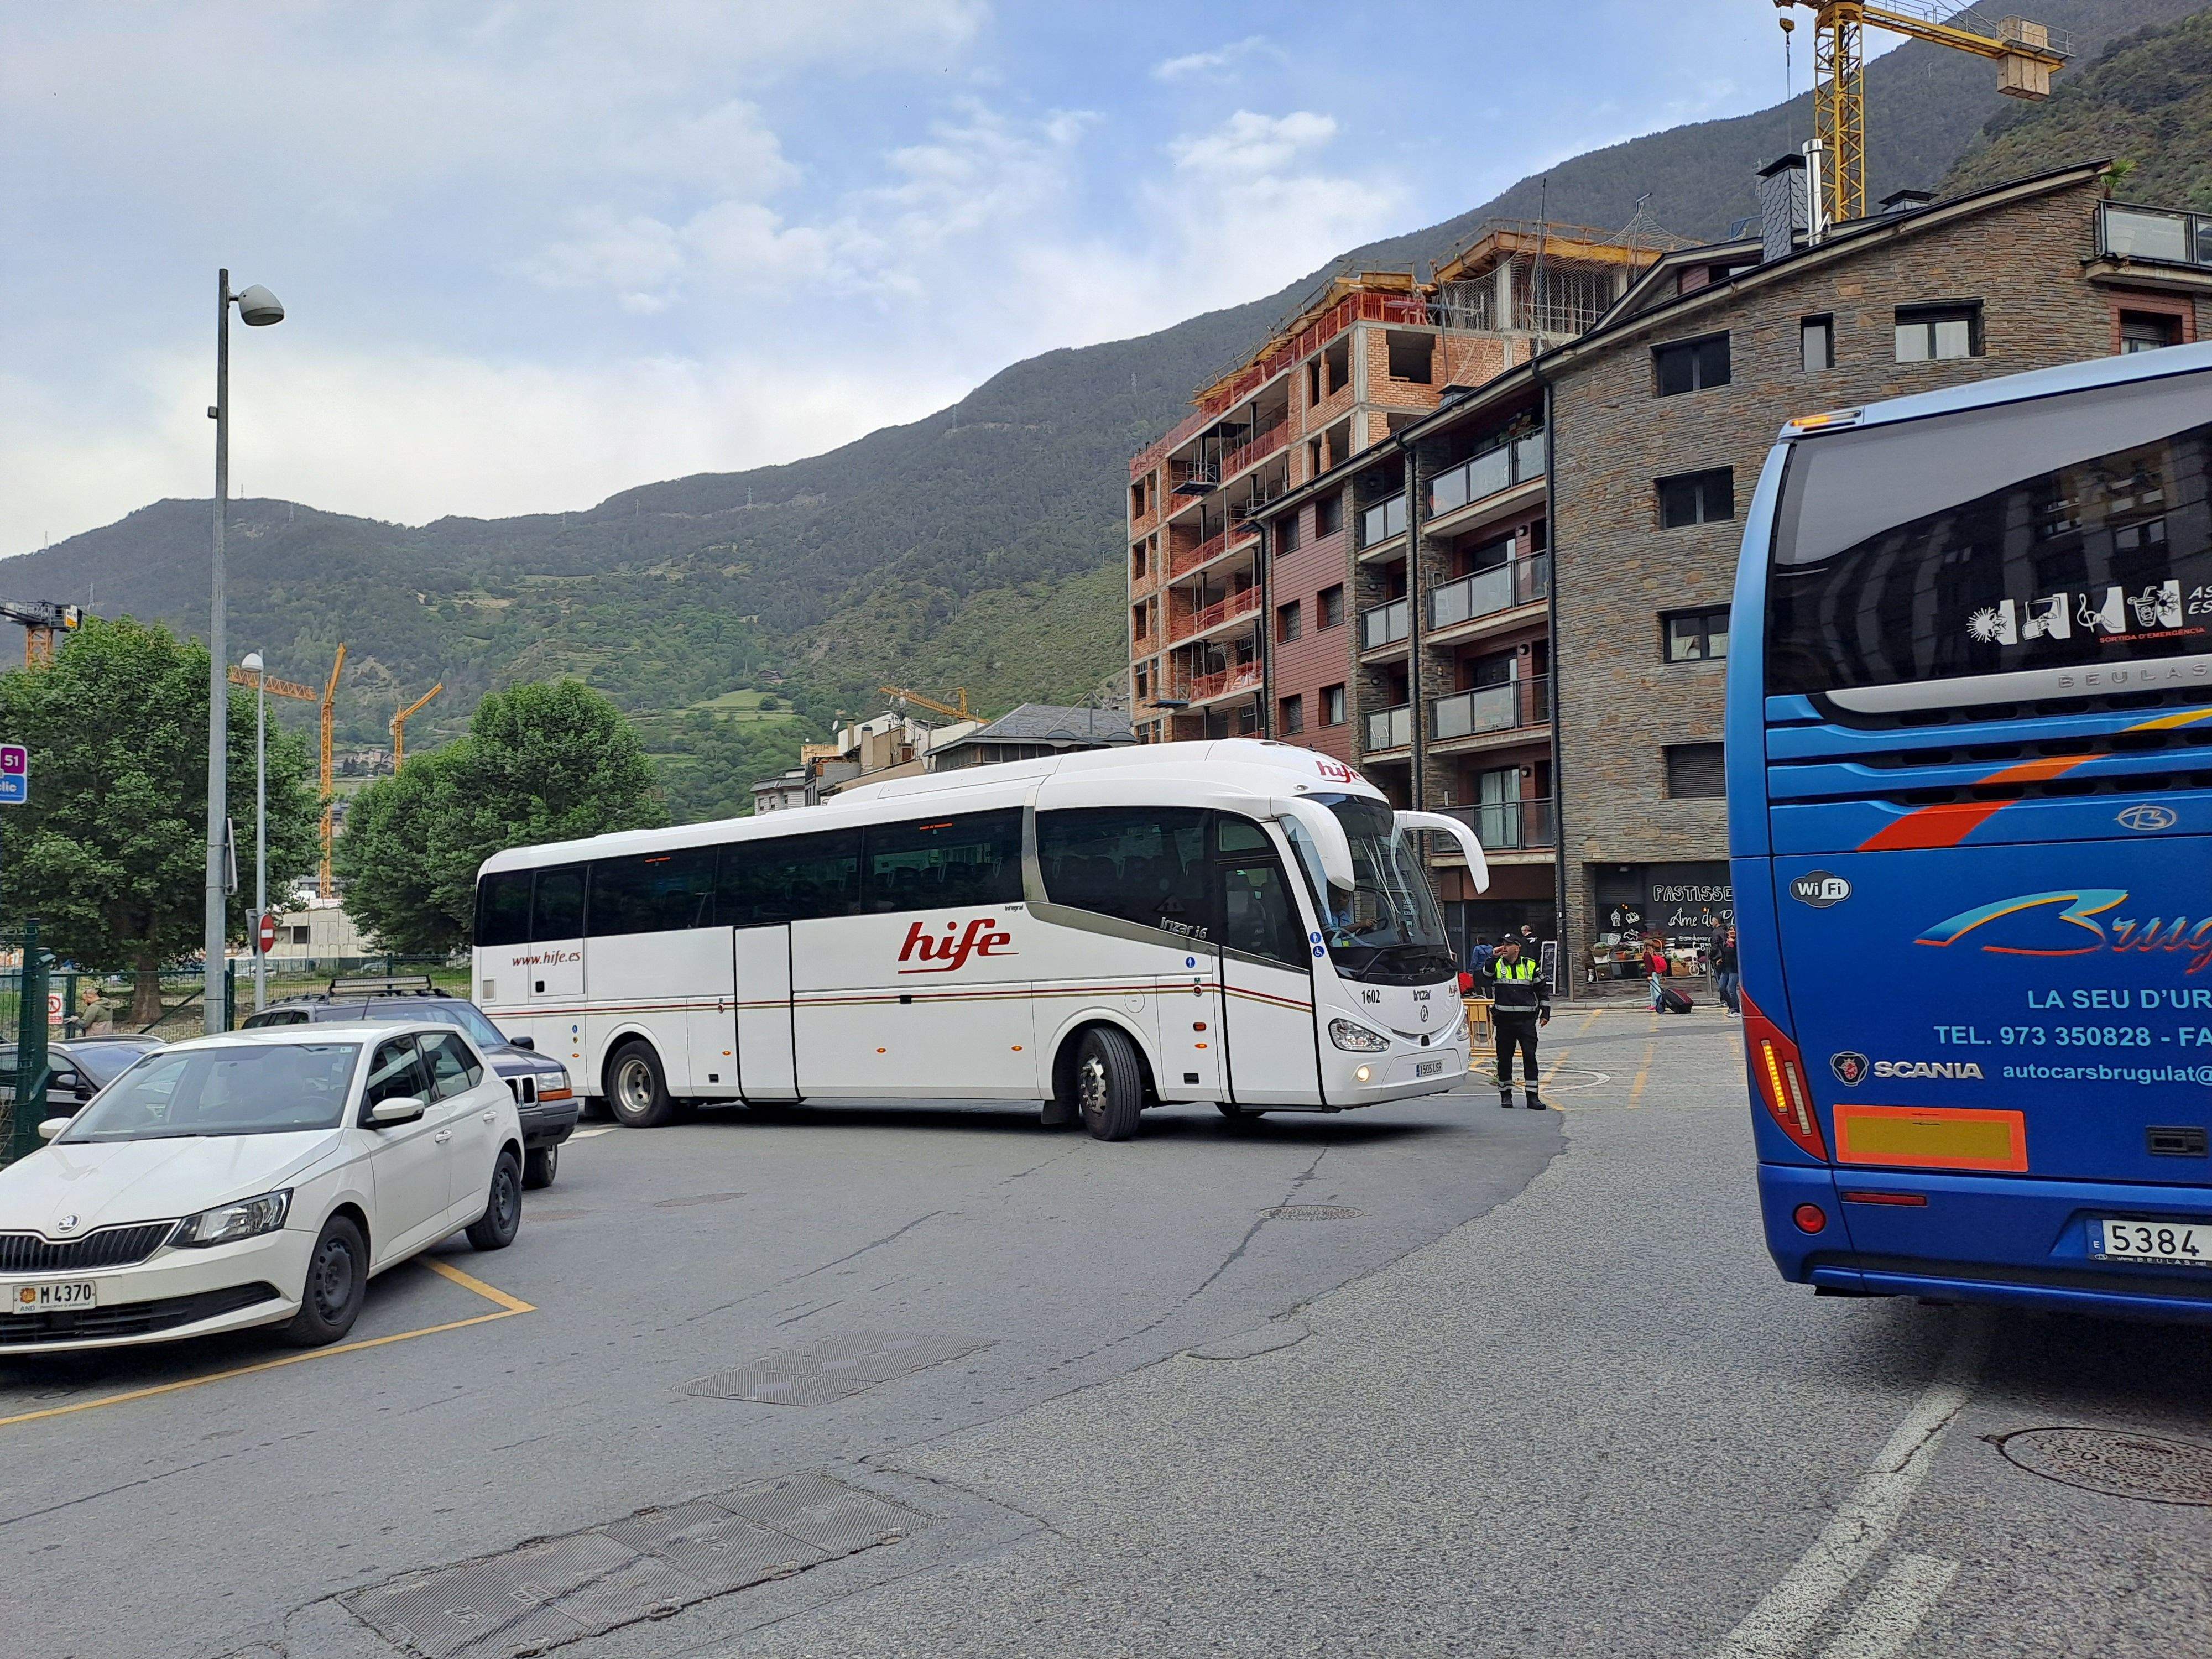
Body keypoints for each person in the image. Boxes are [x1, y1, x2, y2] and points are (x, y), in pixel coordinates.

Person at [1481, 934, 1550, 1109]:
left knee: (1530, 1057)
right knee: (1504, 1059)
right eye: (1502, 944)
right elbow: (1484, 977)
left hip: (1526, 1021)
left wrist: (1545, 1012)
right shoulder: (1496, 964)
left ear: (1517, 948)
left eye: (1508, 945)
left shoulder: (1530, 964)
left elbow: (1542, 990)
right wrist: (1492, 956)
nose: (1504, 947)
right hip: (1504, 1022)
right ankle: (1506, 1096)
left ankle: (1533, 1098)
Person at [1713, 927, 1741, 1015]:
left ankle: (1736, 1008)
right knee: (1722, 987)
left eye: (1734, 930)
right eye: (1730, 930)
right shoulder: (1725, 943)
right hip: (1725, 968)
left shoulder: (1738, 942)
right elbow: (1724, 954)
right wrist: (1720, 959)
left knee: (1730, 989)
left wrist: (1734, 943)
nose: (1732, 932)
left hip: (1734, 969)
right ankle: (1730, 1006)